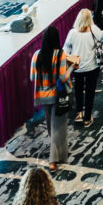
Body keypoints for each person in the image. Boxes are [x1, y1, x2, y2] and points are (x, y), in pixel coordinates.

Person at [30, 25, 71, 171]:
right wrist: (71, 68)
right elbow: (63, 77)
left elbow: (32, 77)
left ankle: (58, 152)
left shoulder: (36, 55)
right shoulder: (60, 55)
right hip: (57, 95)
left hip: (42, 96)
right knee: (58, 126)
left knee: (50, 125)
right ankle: (54, 159)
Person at [62, 8, 103, 126]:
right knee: (90, 91)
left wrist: (71, 61)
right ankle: (87, 117)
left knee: (78, 90)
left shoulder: (72, 33)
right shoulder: (94, 29)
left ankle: (79, 113)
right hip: (92, 67)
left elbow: (65, 50)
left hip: (76, 66)